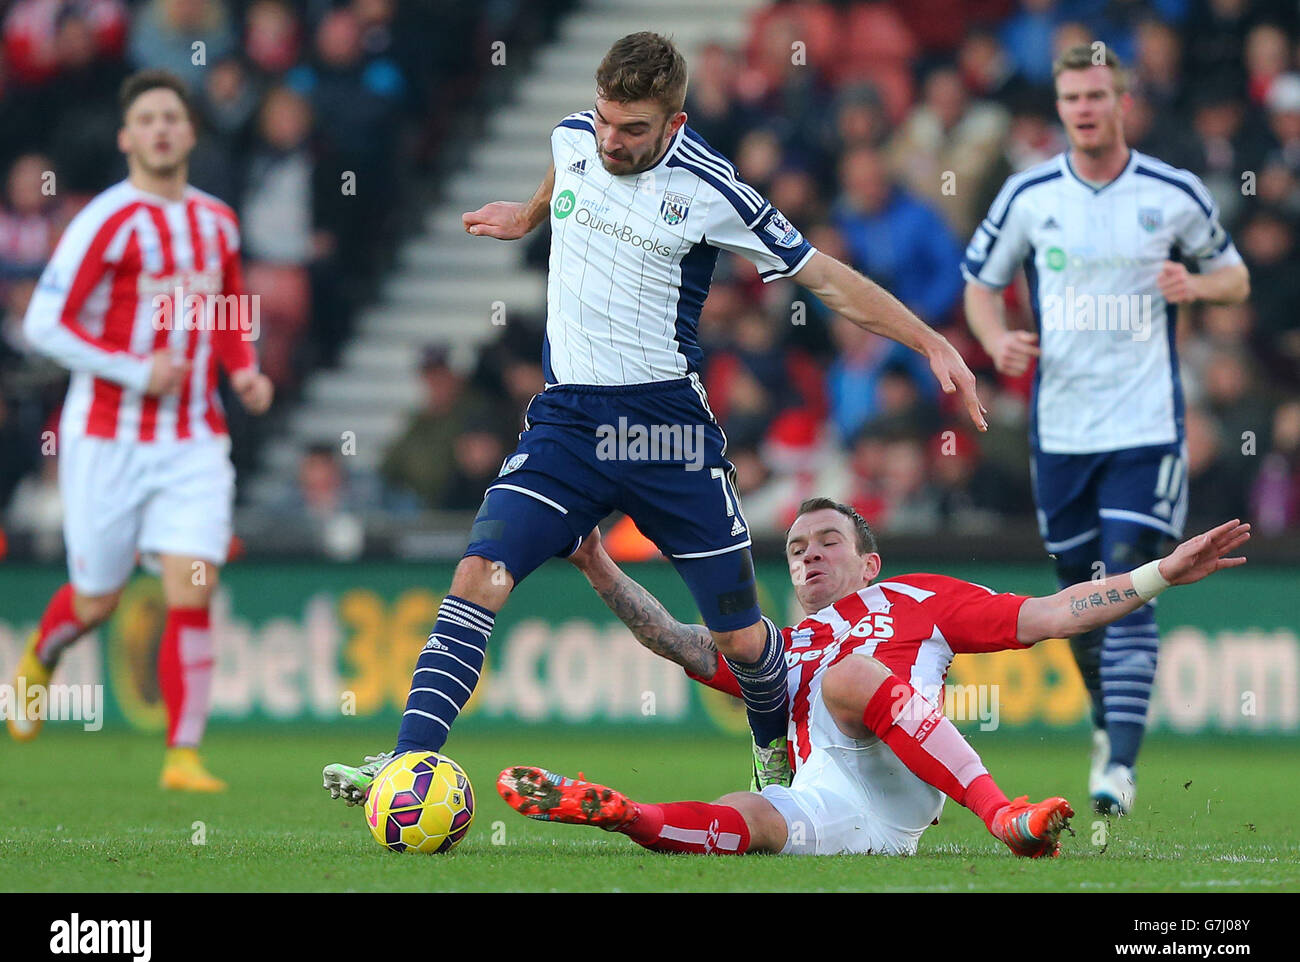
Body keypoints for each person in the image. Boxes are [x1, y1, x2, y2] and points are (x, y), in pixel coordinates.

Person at [323, 32, 986, 804]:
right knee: (480, 572)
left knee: (740, 636)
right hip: (567, 422)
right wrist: (531, 214)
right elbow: (565, 169)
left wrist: (930, 338)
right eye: (605, 119)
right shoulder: (574, 138)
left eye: (632, 129)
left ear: (672, 124)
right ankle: (405, 764)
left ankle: (774, 749)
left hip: (666, 430)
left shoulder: (712, 188)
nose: (610, 139)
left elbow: (823, 277)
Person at [498, 500, 1250, 857]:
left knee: (850, 676)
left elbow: (1056, 612)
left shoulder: (916, 597)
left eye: (828, 540)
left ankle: (1001, 815)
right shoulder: (783, 646)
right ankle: (628, 813)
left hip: (901, 765)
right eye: (795, 549)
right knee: (752, 814)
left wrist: (1159, 573)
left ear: (869, 563)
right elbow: (676, 640)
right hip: (844, 804)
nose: (809, 555)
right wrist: (596, 560)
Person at [961, 44, 1250, 816]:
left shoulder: (1172, 191)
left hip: (1147, 425)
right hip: (1060, 431)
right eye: (1072, 98)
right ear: (1059, 108)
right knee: (1082, 599)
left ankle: (1118, 762)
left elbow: (1237, 274)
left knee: (1132, 573)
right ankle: (1106, 721)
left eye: (1097, 95)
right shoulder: (1028, 195)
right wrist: (994, 341)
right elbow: (979, 285)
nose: (1084, 109)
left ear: (1123, 101)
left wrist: (1198, 282)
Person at [6, 70, 274, 792]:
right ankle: (41, 656)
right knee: (97, 598)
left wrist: (243, 368)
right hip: (106, 437)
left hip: (193, 439)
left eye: (171, 117)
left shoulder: (216, 220)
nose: (160, 128)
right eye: (147, 119)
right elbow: (41, 324)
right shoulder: (104, 221)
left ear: (189, 133)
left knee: (194, 584)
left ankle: (182, 755)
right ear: (128, 138)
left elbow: (227, 308)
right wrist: (128, 367)